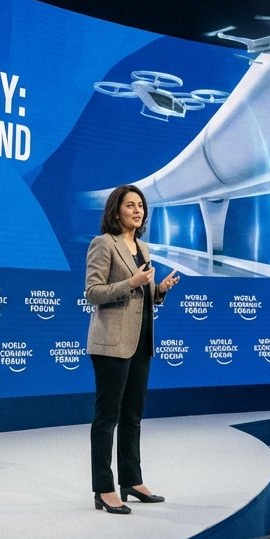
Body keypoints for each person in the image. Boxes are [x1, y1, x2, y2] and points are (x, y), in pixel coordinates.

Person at [84, 184, 180, 515]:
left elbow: (145, 295)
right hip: (111, 342)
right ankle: (104, 488)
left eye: (140, 205)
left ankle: (132, 480)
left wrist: (160, 290)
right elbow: (93, 292)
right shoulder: (103, 244)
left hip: (140, 341)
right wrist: (131, 284)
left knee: (133, 415)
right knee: (107, 417)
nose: (137, 210)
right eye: (130, 205)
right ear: (116, 210)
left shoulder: (143, 247)